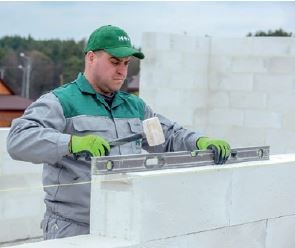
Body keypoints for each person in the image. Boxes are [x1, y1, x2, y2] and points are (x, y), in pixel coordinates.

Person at [6, 25, 231, 240]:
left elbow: (169, 137)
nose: (122, 71)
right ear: (91, 57)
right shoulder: (61, 102)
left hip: (123, 222)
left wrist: (199, 142)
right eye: (115, 62)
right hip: (73, 227)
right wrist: (71, 143)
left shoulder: (135, 108)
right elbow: (18, 139)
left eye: (126, 63)